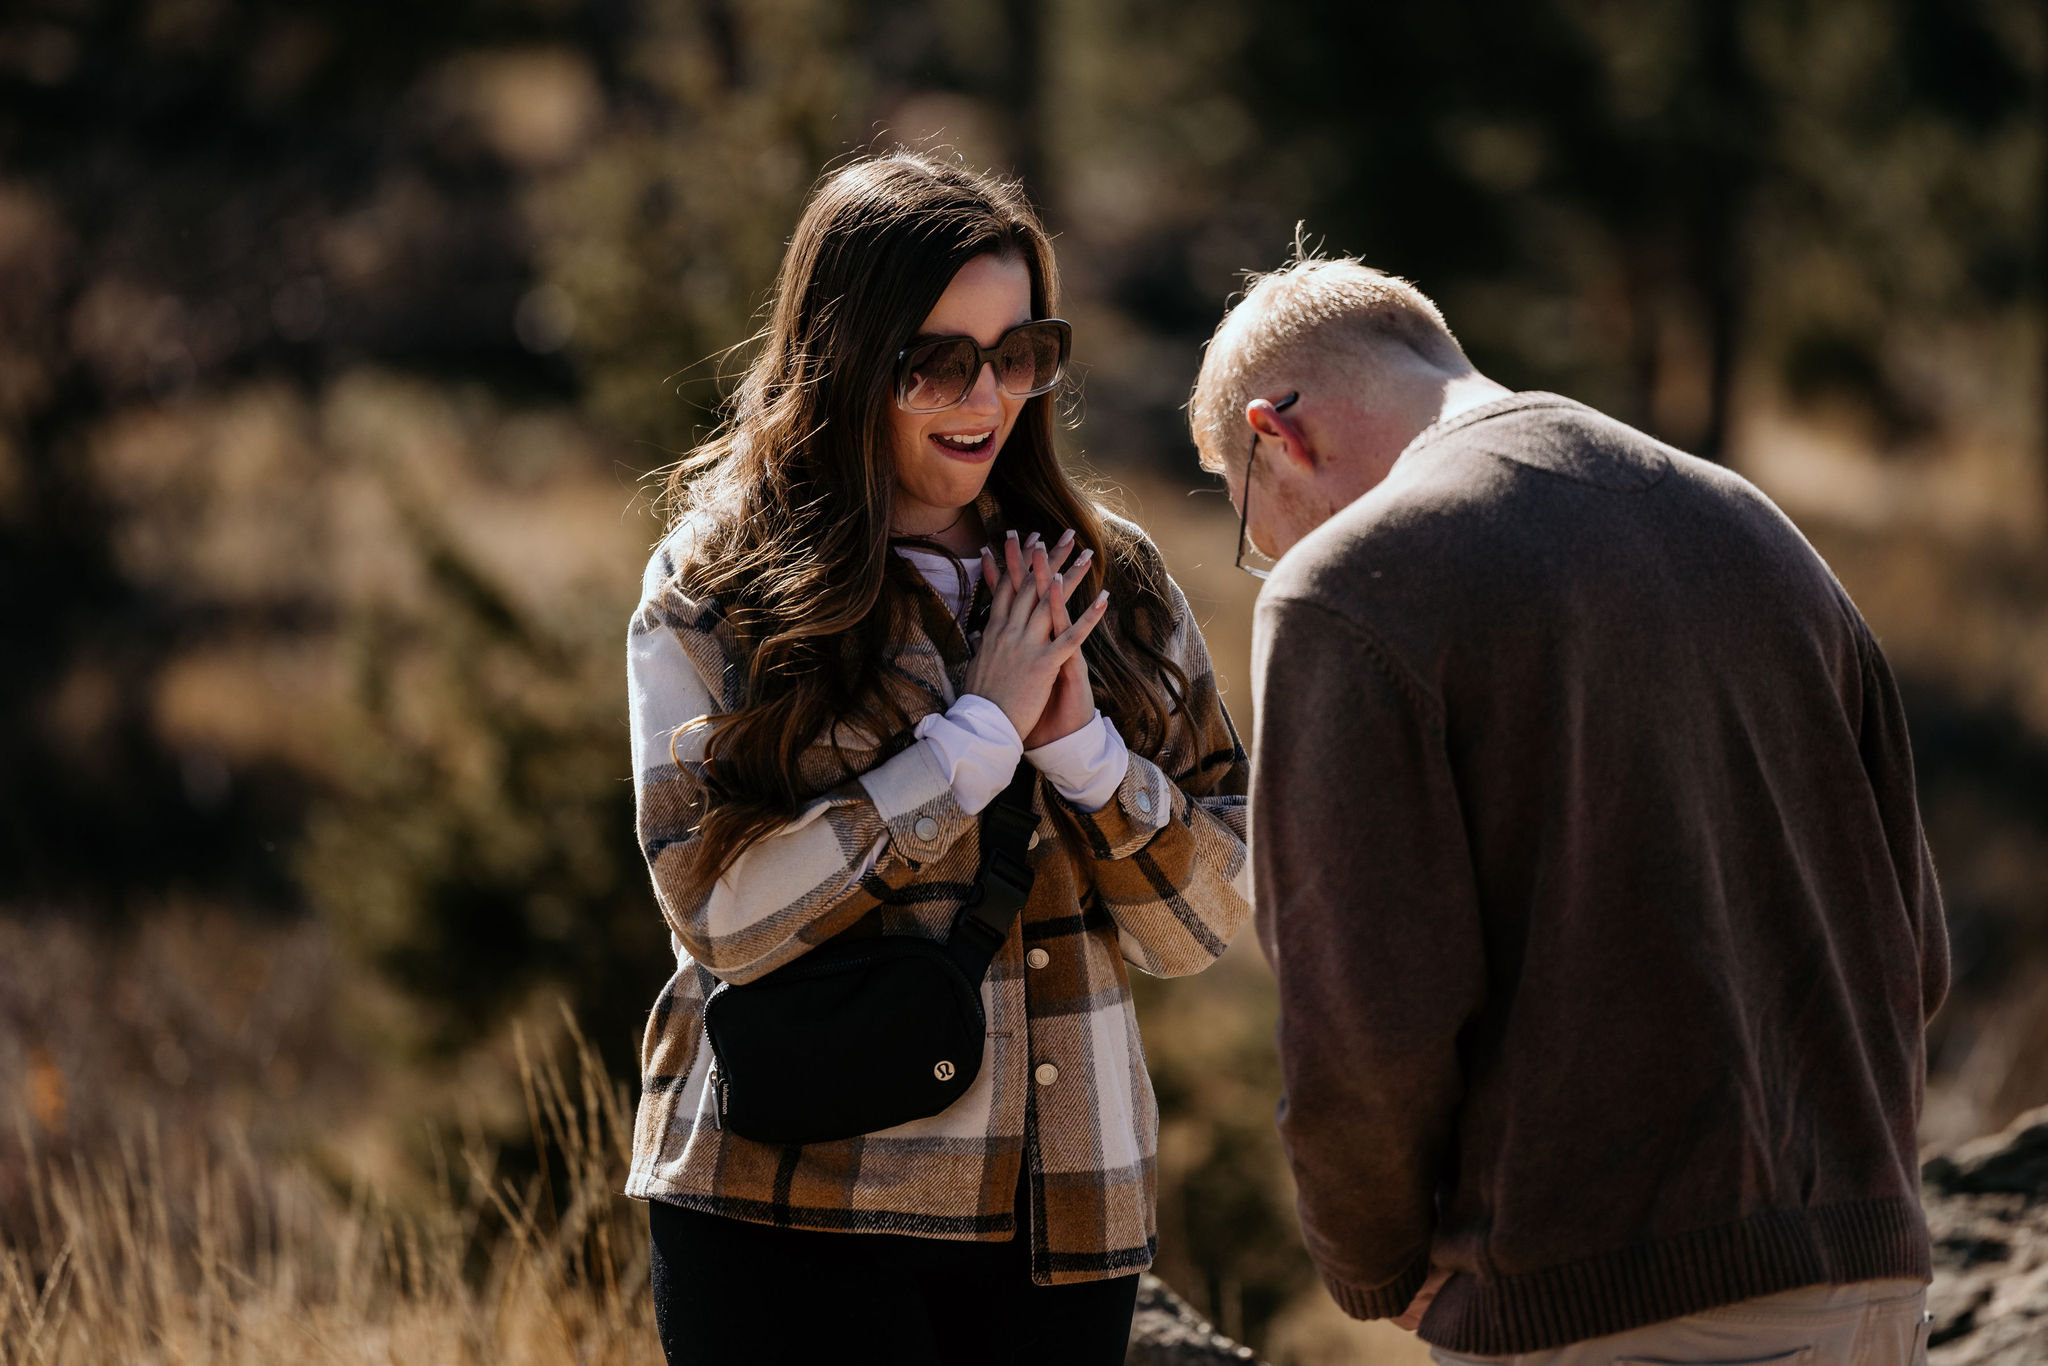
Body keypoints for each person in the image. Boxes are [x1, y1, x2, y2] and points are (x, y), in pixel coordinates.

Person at [1189, 254, 1948, 1365]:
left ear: (1277, 434)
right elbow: (1913, 953)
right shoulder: (1763, 534)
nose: (1277, 557)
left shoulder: (1349, 585)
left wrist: (1376, 1267)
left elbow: (1361, 1015)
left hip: (1596, 1306)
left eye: (1260, 527)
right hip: (1870, 1280)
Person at [624, 151, 1250, 1366]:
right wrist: (969, 745)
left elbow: (1204, 920)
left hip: (1060, 1215)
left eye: (1019, 352)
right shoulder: (716, 589)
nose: (987, 395)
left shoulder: (1108, 581)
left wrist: (1076, 750)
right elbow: (716, 910)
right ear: (843, 357)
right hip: (785, 1207)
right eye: (937, 359)